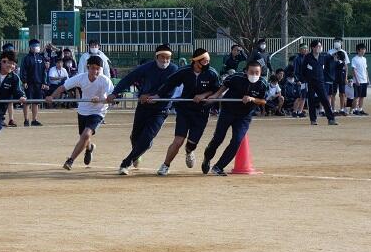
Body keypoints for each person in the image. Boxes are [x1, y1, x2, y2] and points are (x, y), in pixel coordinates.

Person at [106, 44, 178, 175]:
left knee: (146, 138)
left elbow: (170, 88)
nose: (165, 60)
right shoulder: (147, 67)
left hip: (160, 110)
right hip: (143, 107)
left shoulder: (173, 69)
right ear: (156, 57)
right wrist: (115, 93)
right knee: (135, 137)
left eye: (168, 58)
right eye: (162, 57)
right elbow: (128, 79)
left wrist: (156, 96)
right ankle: (139, 152)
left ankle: (125, 163)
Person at [152, 48, 220, 176]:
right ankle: (165, 165)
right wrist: (157, 95)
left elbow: (216, 90)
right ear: (196, 61)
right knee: (178, 141)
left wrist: (203, 95)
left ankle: (189, 151)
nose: (207, 64)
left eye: (208, 61)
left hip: (201, 112)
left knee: (191, 143)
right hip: (184, 110)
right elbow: (169, 84)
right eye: (204, 61)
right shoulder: (184, 72)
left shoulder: (212, 73)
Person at [46, 55, 114, 170]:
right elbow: (63, 87)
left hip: (98, 111)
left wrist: (101, 99)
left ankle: (70, 160)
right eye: (92, 68)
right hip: (83, 110)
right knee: (84, 137)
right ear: (88, 67)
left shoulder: (105, 80)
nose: (95, 71)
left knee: (86, 134)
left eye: (98, 68)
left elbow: (111, 98)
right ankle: (89, 148)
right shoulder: (81, 78)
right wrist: (51, 96)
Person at [201, 60, 268, 176]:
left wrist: (252, 99)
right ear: (246, 71)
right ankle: (207, 158)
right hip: (228, 111)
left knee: (237, 140)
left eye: (257, 72)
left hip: (244, 116)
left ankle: (218, 167)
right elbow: (224, 86)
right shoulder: (236, 77)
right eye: (251, 72)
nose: (254, 75)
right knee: (218, 138)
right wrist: (215, 96)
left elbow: (263, 100)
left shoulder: (262, 83)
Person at [301, 40, 338, 126]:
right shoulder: (308, 57)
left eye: (320, 46)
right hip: (310, 82)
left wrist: (336, 56)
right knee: (311, 101)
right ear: (313, 48)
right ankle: (313, 120)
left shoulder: (323, 57)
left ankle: (331, 119)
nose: (319, 48)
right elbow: (303, 70)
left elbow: (333, 57)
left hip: (321, 82)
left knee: (325, 99)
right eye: (318, 46)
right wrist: (306, 79)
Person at [20, 39, 46, 126]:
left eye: (38, 46)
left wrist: (44, 82)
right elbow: (23, 71)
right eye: (34, 46)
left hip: (38, 83)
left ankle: (34, 120)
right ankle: (26, 120)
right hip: (29, 83)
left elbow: (43, 71)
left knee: (36, 102)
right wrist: (24, 81)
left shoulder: (41, 58)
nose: (36, 47)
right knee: (27, 102)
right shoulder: (26, 58)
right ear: (30, 47)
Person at [351, 43, 369, 115]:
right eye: (362, 49)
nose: (364, 51)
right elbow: (353, 70)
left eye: (364, 49)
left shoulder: (364, 59)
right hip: (357, 81)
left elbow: (366, 69)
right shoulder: (354, 59)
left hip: (364, 80)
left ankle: (360, 109)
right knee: (356, 96)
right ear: (358, 50)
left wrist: (368, 79)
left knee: (362, 96)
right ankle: (354, 110)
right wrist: (357, 80)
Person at [292, 43, 309, 118]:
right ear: (300, 49)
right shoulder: (297, 59)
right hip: (299, 80)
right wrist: (297, 80)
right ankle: (294, 111)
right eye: (303, 48)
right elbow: (295, 71)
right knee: (298, 97)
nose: (305, 50)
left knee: (304, 96)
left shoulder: (308, 58)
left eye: (306, 48)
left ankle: (300, 111)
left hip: (305, 80)